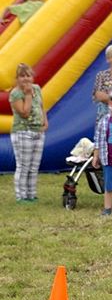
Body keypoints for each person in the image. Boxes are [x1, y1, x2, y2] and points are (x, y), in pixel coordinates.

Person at [9, 64, 48, 203]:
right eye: (22, 76)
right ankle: (21, 195)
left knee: (34, 166)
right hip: (23, 131)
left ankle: (31, 194)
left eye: (28, 75)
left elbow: (41, 106)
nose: (26, 79)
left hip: (38, 131)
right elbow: (24, 113)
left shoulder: (36, 88)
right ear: (17, 78)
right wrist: (27, 94)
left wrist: (45, 121)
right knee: (23, 165)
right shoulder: (15, 94)